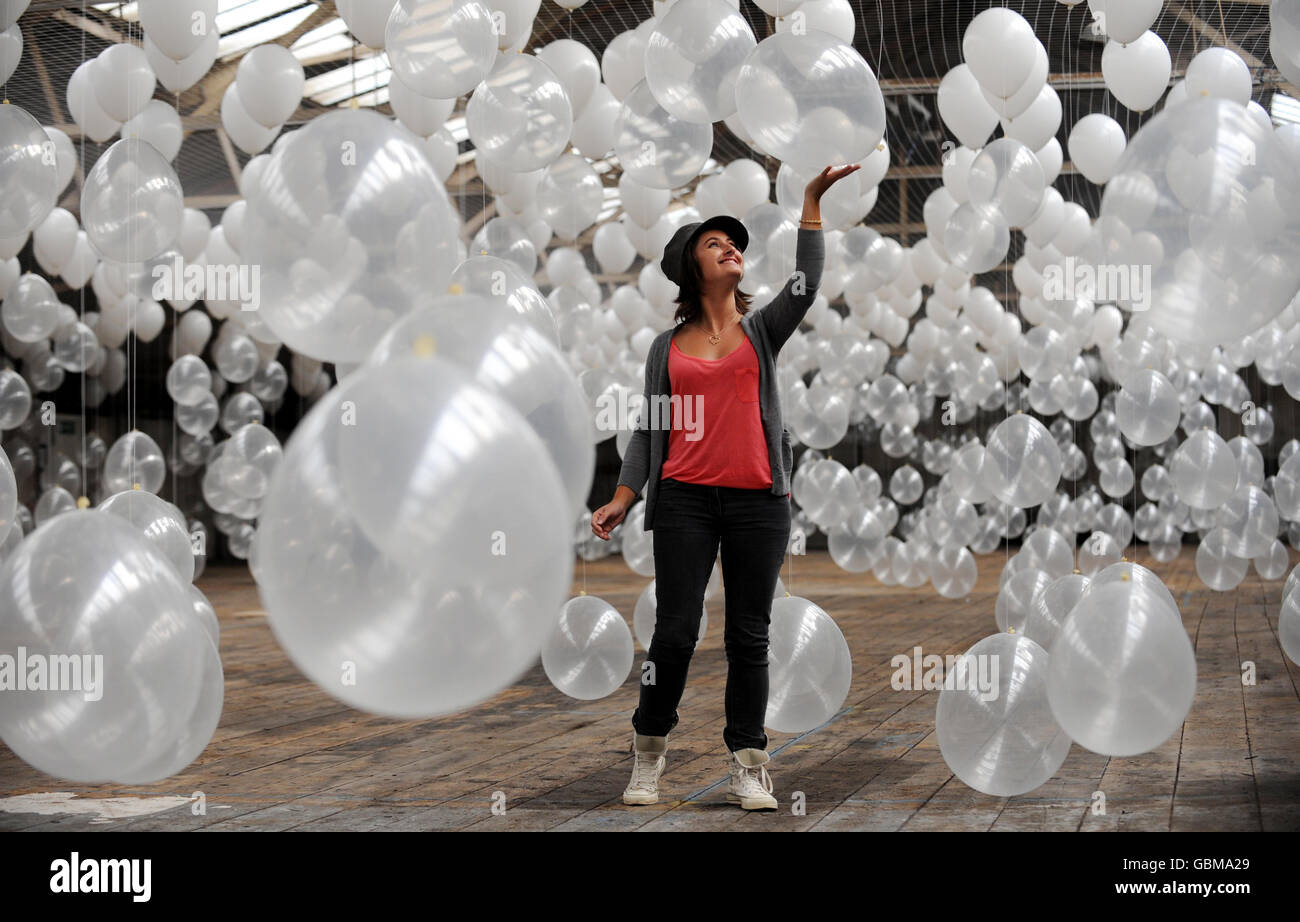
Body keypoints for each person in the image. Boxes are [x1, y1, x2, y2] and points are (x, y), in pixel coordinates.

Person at [591, 164, 861, 811]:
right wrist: (624, 497)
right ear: (692, 268)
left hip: (757, 504)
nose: (731, 249)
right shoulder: (667, 348)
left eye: (733, 243)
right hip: (683, 500)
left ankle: (748, 761)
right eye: (716, 244)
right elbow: (649, 432)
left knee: (749, 636)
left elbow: (807, 281)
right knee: (675, 634)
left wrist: (811, 203)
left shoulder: (761, 333)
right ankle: (649, 748)